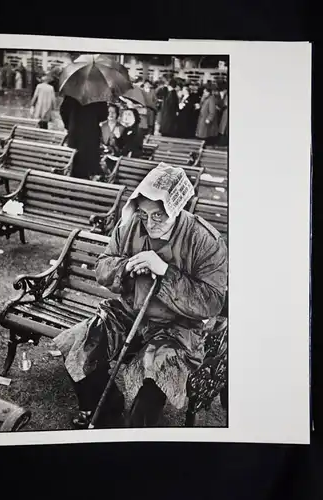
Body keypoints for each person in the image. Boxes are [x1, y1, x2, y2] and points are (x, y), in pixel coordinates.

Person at [53, 164, 228, 428]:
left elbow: (213, 302)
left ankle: (135, 434)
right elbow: (102, 266)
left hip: (179, 327)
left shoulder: (205, 241)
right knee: (80, 344)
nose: (149, 223)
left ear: (176, 208)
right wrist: (124, 266)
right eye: (145, 214)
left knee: (154, 373)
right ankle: (107, 414)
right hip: (131, 313)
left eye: (159, 215)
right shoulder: (132, 226)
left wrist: (165, 272)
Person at [60, 95, 108, 179]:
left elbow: (63, 111)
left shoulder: (72, 93)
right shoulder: (98, 94)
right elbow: (104, 115)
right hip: (91, 134)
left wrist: (69, 126)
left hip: (75, 133)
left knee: (74, 162)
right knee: (88, 165)